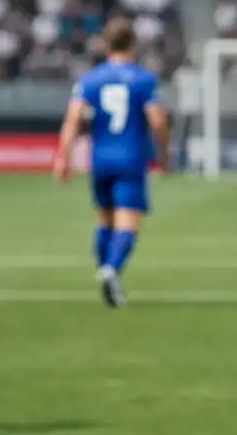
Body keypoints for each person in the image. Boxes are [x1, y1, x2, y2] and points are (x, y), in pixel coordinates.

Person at [53, 18, 170, 308]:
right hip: (131, 158)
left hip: (100, 158)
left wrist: (63, 158)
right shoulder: (143, 79)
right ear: (133, 44)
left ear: (106, 45)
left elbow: (72, 119)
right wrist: (163, 154)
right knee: (128, 221)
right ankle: (111, 270)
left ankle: (105, 270)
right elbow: (157, 120)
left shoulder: (90, 79)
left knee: (104, 217)